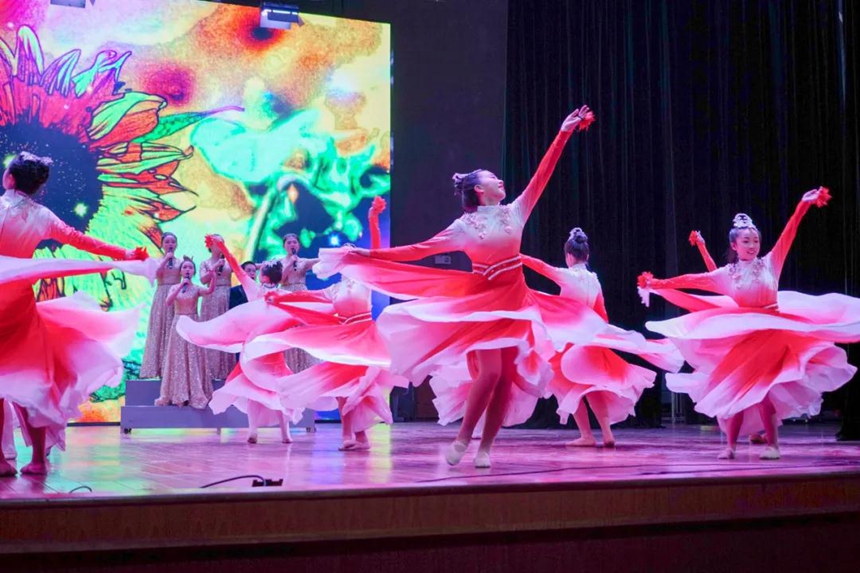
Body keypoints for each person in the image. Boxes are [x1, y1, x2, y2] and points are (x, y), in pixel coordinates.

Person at [310, 107, 601, 468]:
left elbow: (543, 174)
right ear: (480, 190)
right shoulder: (463, 227)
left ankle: (485, 448)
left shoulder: (516, 211)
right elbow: (417, 250)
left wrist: (563, 132)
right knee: (491, 373)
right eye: (493, 178)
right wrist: (366, 254)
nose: (501, 181)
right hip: (483, 305)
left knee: (506, 378)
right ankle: (464, 437)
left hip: (516, 304)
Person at [638, 188, 860, 459]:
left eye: (755, 240)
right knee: (737, 392)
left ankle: (773, 445)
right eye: (746, 241)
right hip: (746, 341)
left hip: (774, 337)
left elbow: (790, 231)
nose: (752, 245)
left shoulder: (771, 263)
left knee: (762, 393)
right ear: (735, 245)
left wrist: (803, 205)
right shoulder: (725, 275)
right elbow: (691, 280)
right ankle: (730, 446)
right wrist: (657, 283)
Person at [0, 152, 150, 477]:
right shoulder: (42, 216)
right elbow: (79, 240)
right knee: (31, 381)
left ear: (9, 178)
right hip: (19, 306)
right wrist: (124, 253)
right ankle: (37, 459)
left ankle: (1, 459)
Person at [256, 198, 407, 451]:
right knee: (342, 389)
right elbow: (309, 296)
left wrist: (372, 218)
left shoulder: (365, 279)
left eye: (351, 252)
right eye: (343, 253)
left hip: (364, 340)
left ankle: (358, 435)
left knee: (359, 388)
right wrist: (280, 298)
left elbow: (377, 252)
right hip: (343, 341)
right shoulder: (335, 288)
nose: (346, 255)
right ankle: (353, 436)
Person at [178, 237, 301, 444]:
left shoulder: (255, 290)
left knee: (253, 389)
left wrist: (223, 246)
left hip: (254, 350)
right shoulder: (284, 295)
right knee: (277, 389)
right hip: (273, 350)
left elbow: (236, 267)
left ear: (263, 276)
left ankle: (253, 430)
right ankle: (284, 432)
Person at [155, 257, 216, 409]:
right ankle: (179, 394)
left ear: (193, 271)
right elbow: (168, 302)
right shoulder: (174, 287)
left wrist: (213, 277)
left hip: (193, 322)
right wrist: (180, 286)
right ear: (180, 271)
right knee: (178, 357)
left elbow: (209, 291)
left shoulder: (196, 288)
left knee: (193, 356)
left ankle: (194, 392)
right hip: (179, 322)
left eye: (190, 267)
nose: (187, 270)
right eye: (185, 267)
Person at [140, 233, 182, 378]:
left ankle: (174, 367)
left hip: (176, 295)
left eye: (173, 242)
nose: (170, 244)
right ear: (162, 244)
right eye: (167, 242)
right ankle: (158, 368)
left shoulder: (181, 262)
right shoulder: (157, 261)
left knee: (173, 329)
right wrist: (165, 260)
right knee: (159, 328)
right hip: (162, 295)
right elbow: (155, 274)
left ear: (176, 244)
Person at [199, 235, 235, 380]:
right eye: (217, 242)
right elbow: (203, 280)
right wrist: (214, 267)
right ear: (210, 245)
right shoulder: (205, 263)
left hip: (227, 296)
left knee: (227, 332)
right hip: (211, 297)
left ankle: (225, 369)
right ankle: (209, 370)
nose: (220, 245)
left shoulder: (228, 261)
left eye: (222, 242)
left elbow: (241, 270)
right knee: (212, 332)